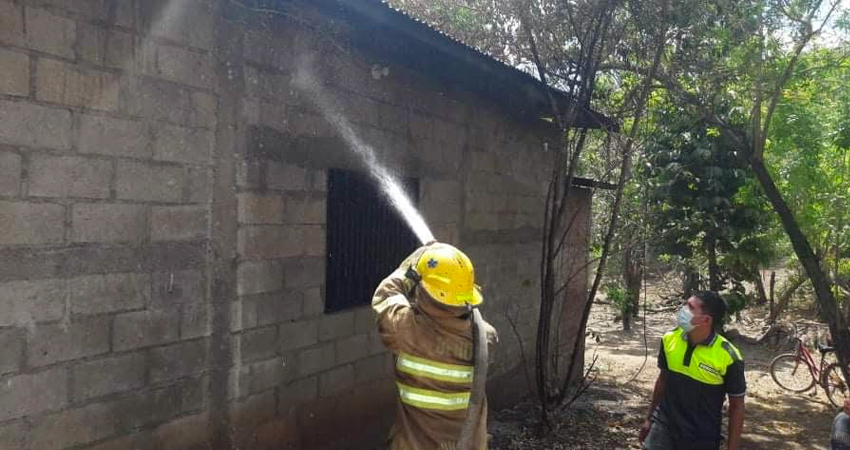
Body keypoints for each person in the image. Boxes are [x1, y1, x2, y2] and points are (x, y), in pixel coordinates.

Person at [372, 242, 498, 450]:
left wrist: (415, 262)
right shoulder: (487, 338)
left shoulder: (404, 330)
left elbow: (387, 293)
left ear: (425, 292)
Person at [638, 291, 746, 450]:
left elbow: (737, 405)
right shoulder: (669, 339)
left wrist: (733, 447)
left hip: (701, 437)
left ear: (706, 319)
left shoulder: (729, 357)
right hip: (664, 427)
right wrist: (649, 419)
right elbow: (663, 380)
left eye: (690, 307)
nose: (683, 310)